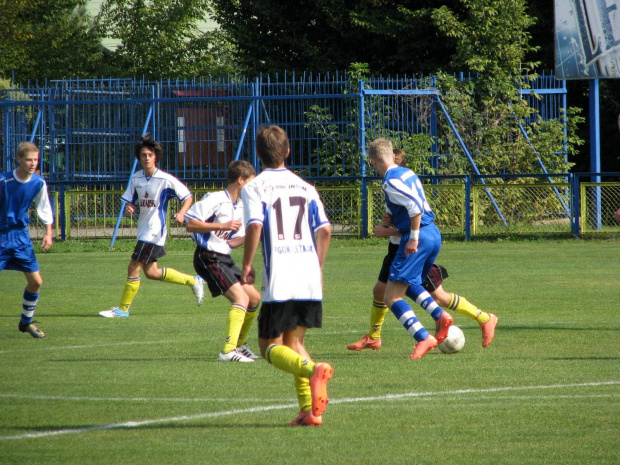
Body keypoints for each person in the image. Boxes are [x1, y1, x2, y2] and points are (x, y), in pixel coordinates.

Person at [348, 149, 497, 351]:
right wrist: (388, 220)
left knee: (439, 297)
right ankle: (374, 337)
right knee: (380, 291)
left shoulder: (396, 181)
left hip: (413, 247)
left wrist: (386, 231)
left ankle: (485, 318)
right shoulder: (397, 182)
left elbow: (414, 222)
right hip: (397, 249)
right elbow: (400, 216)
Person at [240, 125, 334, 427]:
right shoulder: (306, 187)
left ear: (258, 154)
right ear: (288, 151)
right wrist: (317, 266)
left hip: (280, 277)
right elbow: (326, 229)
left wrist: (247, 264)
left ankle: (313, 370)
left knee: (269, 347)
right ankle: (310, 411)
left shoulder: (254, 187)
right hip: (308, 274)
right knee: (294, 343)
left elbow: (255, 226)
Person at [99, 135, 204, 318]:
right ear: (139, 158)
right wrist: (129, 207)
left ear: (155, 157)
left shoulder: (165, 180)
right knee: (152, 272)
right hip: (143, 230)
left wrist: (181, 213)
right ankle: (193, 280)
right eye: (143, 155)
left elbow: (187, 197)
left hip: (155, 231)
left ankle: (123, 309)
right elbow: (128, 202)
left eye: (149, 155)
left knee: (133, 267)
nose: (146, 158)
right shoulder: (136, 178)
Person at [365, 138, 451, 360]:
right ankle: (440, 316)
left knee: (391, 297)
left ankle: (423, 337)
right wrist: (393, 218)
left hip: (419, 236)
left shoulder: (389, 181)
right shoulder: (407, 173)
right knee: (410, 282)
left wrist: (412, 237)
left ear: (373, 161)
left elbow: (414, 207)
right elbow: (418, 204)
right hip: (432, 233)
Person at [185, 160, 261, 362]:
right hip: (207, 256)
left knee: (253, 298)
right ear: (240, 180)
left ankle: (239, 345)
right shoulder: (217, 199)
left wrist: (254, 236)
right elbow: (190, 223)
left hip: (223, 257)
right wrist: (223, 224)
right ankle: (227, 351)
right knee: (241, 299)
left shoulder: (241, 205)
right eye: (250, 183)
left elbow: (232, 242)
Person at [0, 142, 54, 338]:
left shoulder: (38, 183)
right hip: (1, 236)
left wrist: (48, 233)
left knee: (36, 282)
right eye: (29, 160)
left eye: (36, 160)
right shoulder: (3, 181)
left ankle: (26, 322)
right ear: (19, 160)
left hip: (21, 237)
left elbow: (44, 208)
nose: (33, 163)